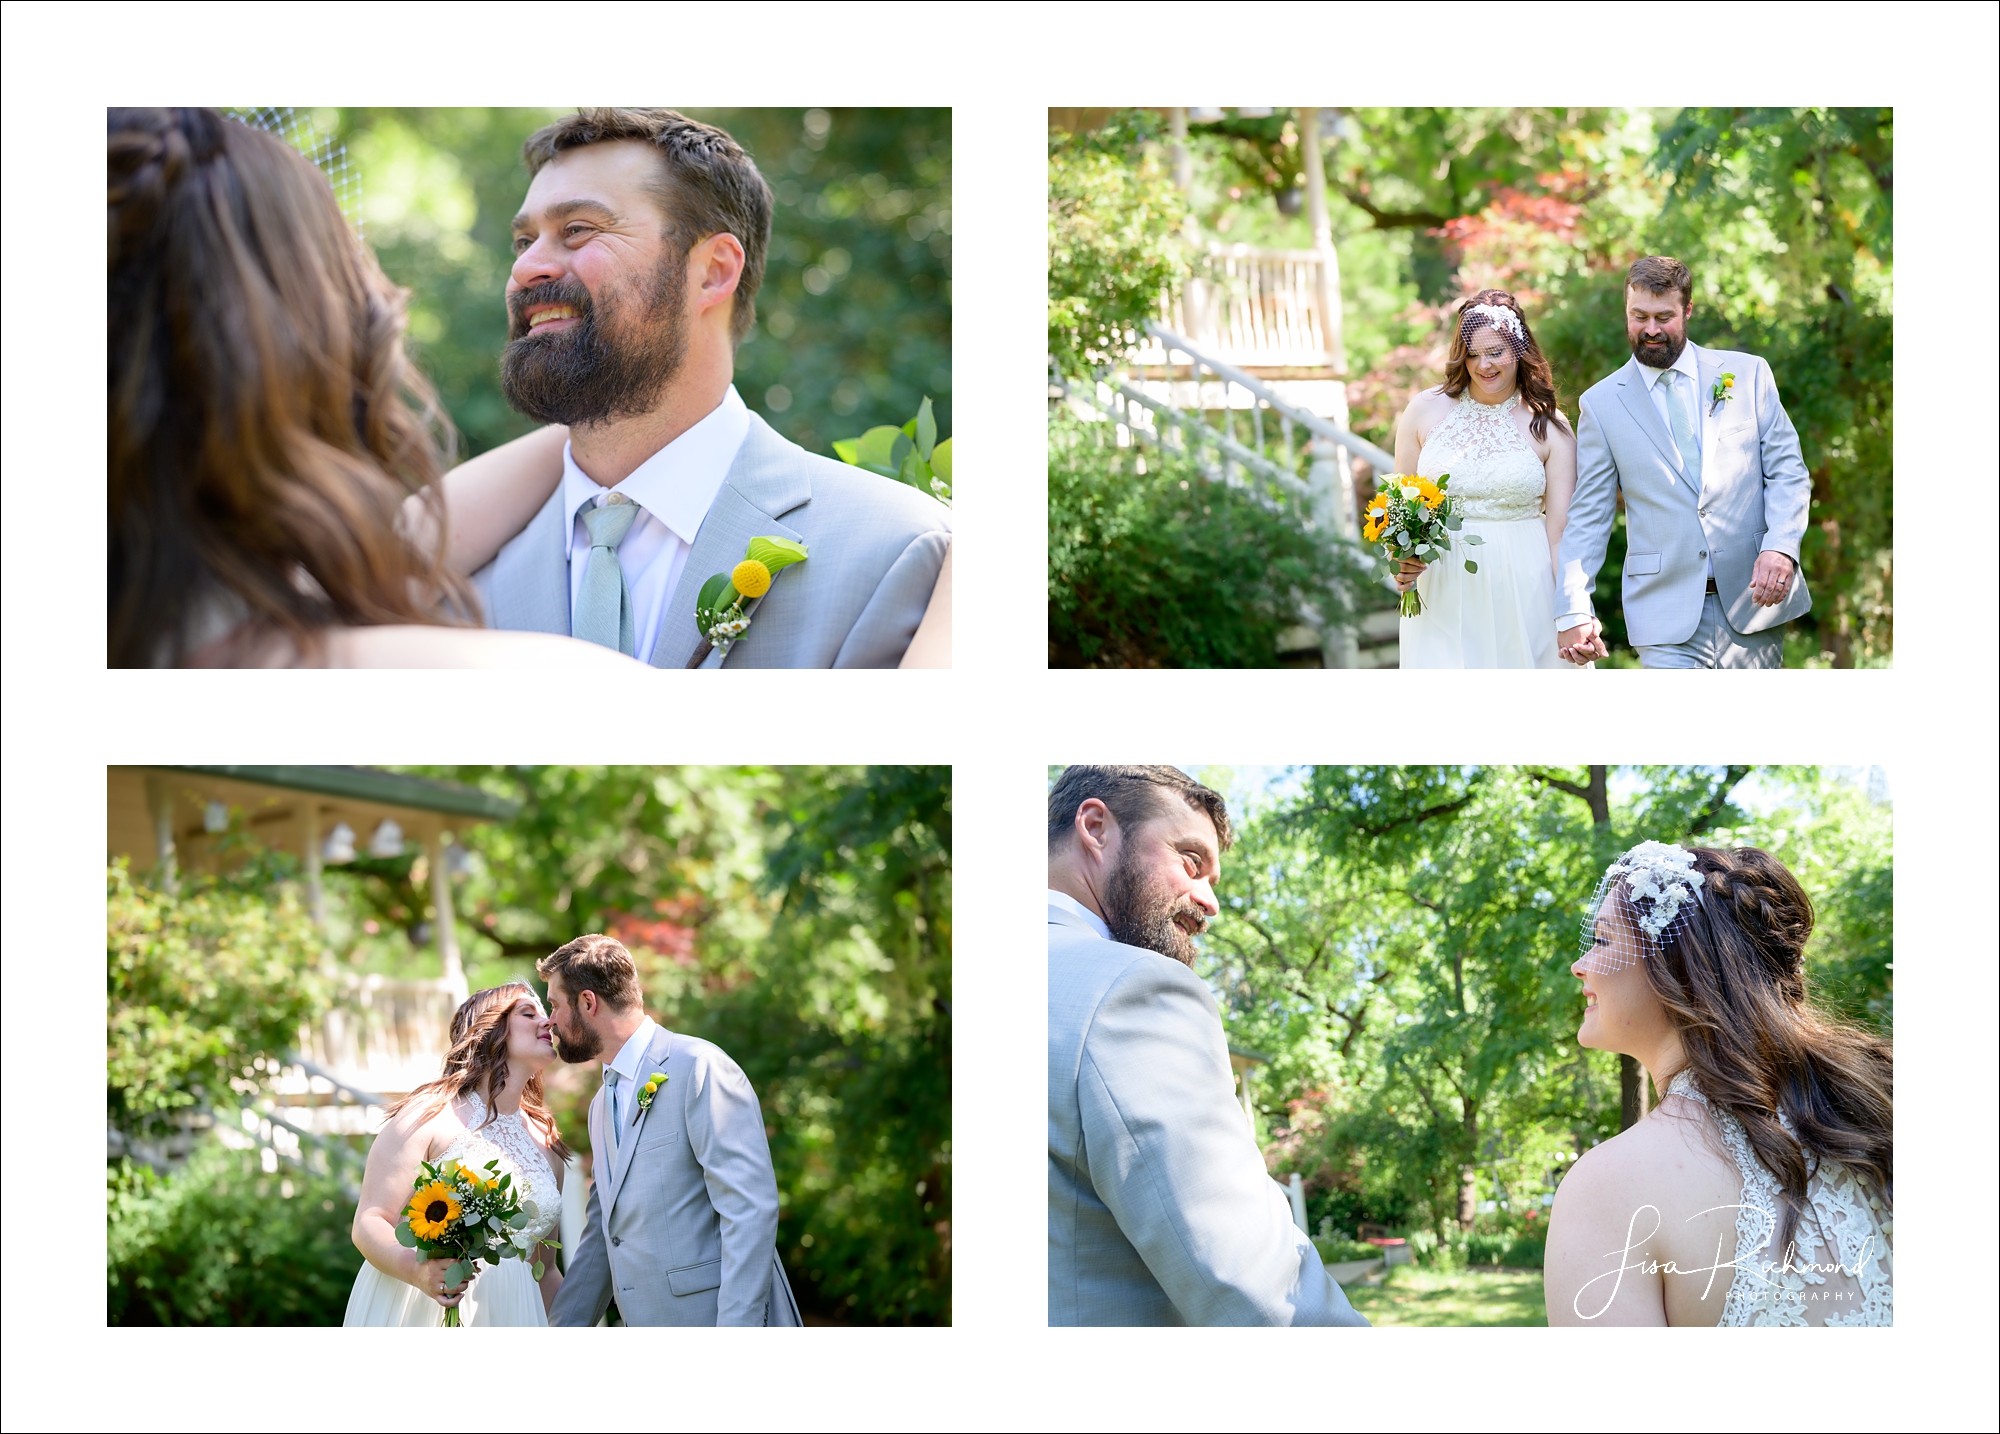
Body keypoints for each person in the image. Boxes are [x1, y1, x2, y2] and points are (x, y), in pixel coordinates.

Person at [107, 107, 639, 668]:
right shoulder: (545, 680)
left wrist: (619, 397)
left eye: (576, 231)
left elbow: (415, 541)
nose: (528, 266)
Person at [475, 109, 951, 667]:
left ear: (713, 271)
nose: (526, 267)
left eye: (577, 230)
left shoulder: (895, 551)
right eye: (523, 240)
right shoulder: (458, 578)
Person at [1046, 766, 1368, 1327]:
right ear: (1095, 827)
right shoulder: (1130, 990)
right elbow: (1253, 1285)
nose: (1209, 901)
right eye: (1191, 863)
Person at [1544, 842, 1892, 1326]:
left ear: (1675, 965)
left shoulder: (1606, 1187)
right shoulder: (1871, 1112)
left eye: (1602, 940)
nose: (1579, 965)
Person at [1555, 256, 1812, 667]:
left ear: (1687, 310)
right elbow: (1588, 516)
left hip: (1752, 603)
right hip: (1663, 614)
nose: (1651, 330)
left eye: (1664, 317)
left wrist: (1781, 547)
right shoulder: (1601, 405)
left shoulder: (1749, 375)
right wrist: (1573, 605)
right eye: (1639, 316)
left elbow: (1788, 473)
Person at [540, 934, 800, 1326]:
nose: (551, 1020)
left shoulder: (698, 1068)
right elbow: (604, 1233)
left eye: (555, 1005)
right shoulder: (599, 1107)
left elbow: (749, 1210)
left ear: (588, 1002)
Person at [345, 984, 568, 1325]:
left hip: (512, 1317)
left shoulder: (546, 1141)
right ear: (490, 1027)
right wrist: (417, 1271)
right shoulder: (429, 1115)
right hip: (422, 1310)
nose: (547, 1022)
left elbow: (546, 1271)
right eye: (528, 1013)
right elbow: (369, 1221)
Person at [1388, 290, 1578, 668]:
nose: (1484, 366)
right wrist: (1399, 556)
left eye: (1496, 352)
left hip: (1525, 584)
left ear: (1519, 348)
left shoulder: (1551, 426)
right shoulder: (1424, 410)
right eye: (1473, 354)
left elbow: (1562, 535)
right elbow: (1400, 505)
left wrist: (1572, 611)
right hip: (1442, 587)